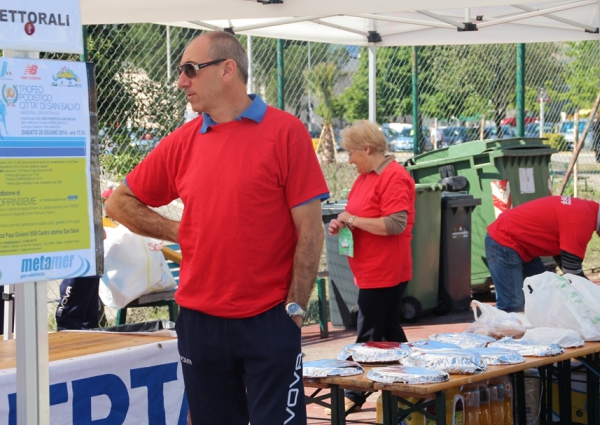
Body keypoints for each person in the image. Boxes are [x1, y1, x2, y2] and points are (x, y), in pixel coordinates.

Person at [105, 31, 329, 425]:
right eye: (181, 72)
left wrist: (294, 308)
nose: (181, 81)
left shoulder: (286, 132)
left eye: (190, 69)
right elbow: (118, 202)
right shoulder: (183, 141)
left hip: (268, 319)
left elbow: (310, 232)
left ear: (228, 70)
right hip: (200, 322)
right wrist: (181, 231)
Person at [328, 120, 416, 412]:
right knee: (388, 330)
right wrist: (341, 222)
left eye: (351, 152)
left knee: (368, 333)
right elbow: (357, 214)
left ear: (367, 149)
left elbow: (395, 224)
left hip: (385, 269)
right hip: (369, 268)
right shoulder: (364, 177)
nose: (349, 159)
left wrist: (351, 220)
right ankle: (414, 379)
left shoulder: (394, 177)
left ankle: (354, 393)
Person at [485, 195, 600, 313]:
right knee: (512, 304)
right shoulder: (582, 219)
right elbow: (573, 271)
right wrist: (597, 299)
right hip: (504, 241)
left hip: (519, 245)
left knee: (544, 294)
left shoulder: (586, 211)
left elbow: (564, 259)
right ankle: (497, 343)